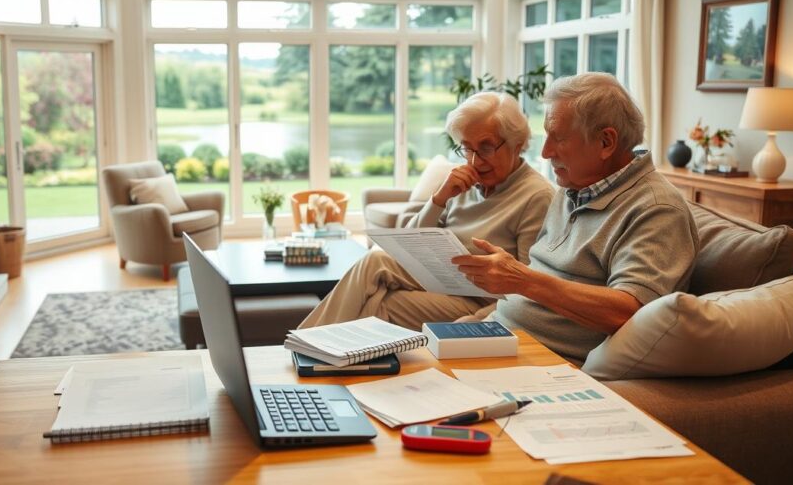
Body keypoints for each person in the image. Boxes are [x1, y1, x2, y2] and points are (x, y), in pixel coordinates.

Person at [452, 73, 699, 362]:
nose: (545, 153)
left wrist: (522, 279)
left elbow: (629, 311)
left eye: (558, 138)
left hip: (549, 360)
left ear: (606, 142)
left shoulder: (656, 210)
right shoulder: (572, 189)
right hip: (500, 334)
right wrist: (477, 323)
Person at [299, 92, 554, 330]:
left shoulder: (536, 196)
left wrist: (478, 321)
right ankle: (313, 351)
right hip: (439, 280)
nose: (475, 161)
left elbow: (527, 287)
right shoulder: (462, 184)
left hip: (482, 303)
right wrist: (439, 199)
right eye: (467, 148)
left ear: (517, 144)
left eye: (486, 147)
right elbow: (407, 245)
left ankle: (306, 349)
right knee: (377, 262)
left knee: (378, 303)